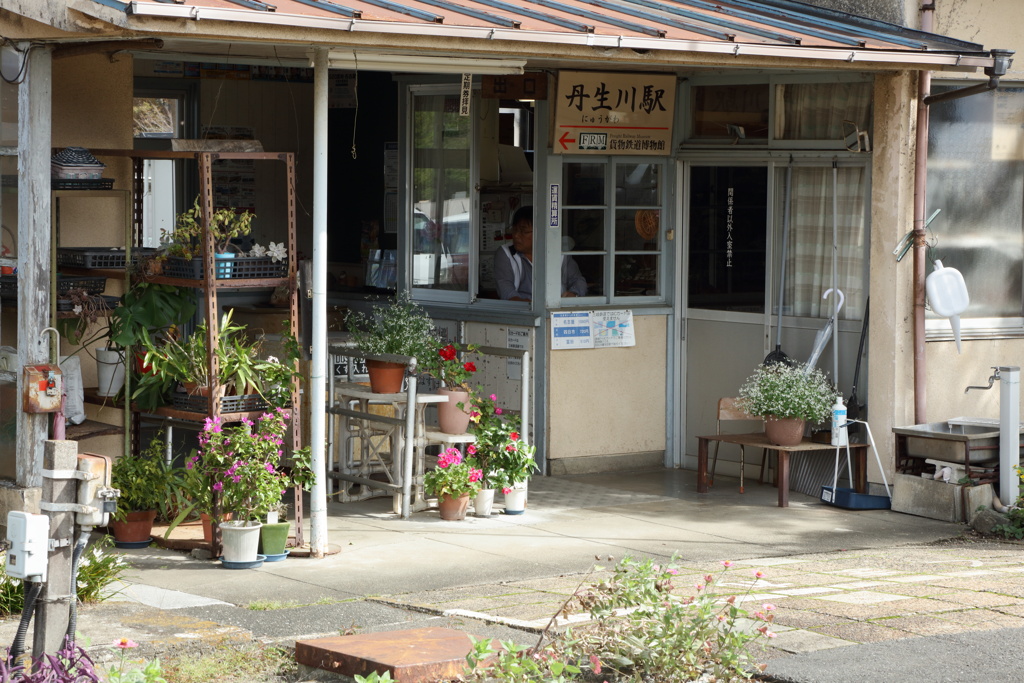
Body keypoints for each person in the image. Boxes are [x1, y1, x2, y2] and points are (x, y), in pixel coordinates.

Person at [494, 206, 588, 301]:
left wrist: (574, 294)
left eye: (524, 231)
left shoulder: (558, 252)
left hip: (555, 309)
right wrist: (529, 305)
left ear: (540, 233)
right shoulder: (506, 253)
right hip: (522, 311)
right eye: (514, 230)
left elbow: (578, 280)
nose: (516, 235)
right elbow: (506, 291)